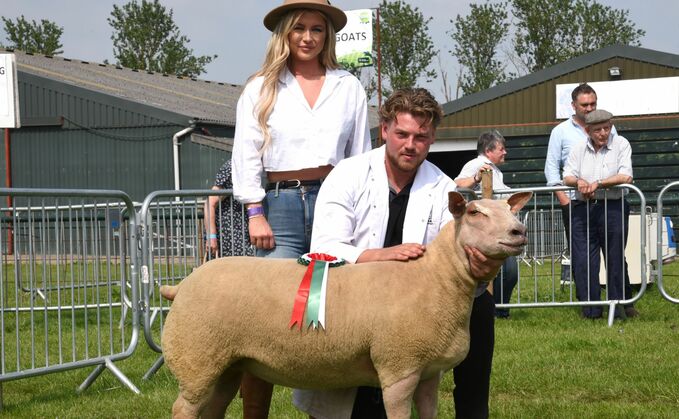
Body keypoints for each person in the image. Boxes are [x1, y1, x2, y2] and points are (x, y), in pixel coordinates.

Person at [292, 88, 503, 419]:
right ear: (385, 131)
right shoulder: (347, 174)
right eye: (402, 134)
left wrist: (482, 267)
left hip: (411, 305)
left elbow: (456, 255)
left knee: (480, 306)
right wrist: (383, 256)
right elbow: (325, 248)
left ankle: (473, 411)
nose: (410, 144)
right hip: (353, 297)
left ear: (432, 138)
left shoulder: (442, 188)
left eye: (421, 137)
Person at [231, 1, 372, 417]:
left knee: (334, 313)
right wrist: (255, 211)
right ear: (285, 35)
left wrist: (359, 212)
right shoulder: (260, 87)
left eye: (317, 29)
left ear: (328, 36)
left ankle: (322, 412)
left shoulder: (349, 87)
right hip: (282, 205)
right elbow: (247, 154)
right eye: (299, 29)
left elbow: (360, 156)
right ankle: (255, 413)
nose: (308, 37)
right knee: (266, 317)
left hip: (335, 201)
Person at [562, 109, 637, 320]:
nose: (603, 133)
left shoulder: (622, 144)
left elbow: (626, 175)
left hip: (613, 207)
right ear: (588, 131)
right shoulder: (578, 149)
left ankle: (618, 308)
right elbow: (567, 175)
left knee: (614, 258)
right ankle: (591, 311)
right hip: (583, 209)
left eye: (607, 128)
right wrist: (579, 182)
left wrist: (599, 183)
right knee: (584, 260)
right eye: (598, 130)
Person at [544, 84, 617, 264]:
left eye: (593, 103)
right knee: (581, 257)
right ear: (573, 106)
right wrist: (565, 201)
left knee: (614, 255)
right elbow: (551, 168)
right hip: (576, 203)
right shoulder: (560, 131)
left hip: (607, 200)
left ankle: (618, 292)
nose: (590, 108)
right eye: (584, 105)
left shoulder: (610, 129)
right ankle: (586, 293)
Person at [454, 130, 518, 319]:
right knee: (506, 270)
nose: (505, 152)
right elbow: (457, 183)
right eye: (501, 148)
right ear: (488, 150)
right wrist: (475, 179)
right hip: (487, 231)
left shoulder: (494, 168)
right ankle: (497, 310)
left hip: (499, 228)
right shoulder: (477, 165)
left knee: (509, 271)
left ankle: (499, 310)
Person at [204, 159, 254, 260]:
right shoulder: (233, 167)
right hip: (230, 236)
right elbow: (210, 202)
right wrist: (211, 237)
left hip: (244, 232)